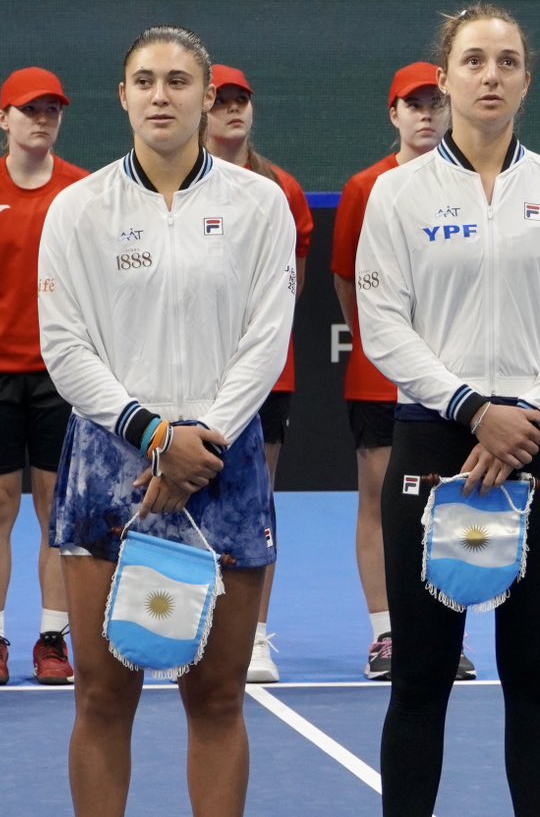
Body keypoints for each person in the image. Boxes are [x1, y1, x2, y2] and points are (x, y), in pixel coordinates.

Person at [356, 4, 540, 816]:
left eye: (506, 62)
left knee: (535, 681)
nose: (490, 75)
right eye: (474, 61)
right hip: (434, 448)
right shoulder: (397, 196)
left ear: (527, 81)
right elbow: (383, 325)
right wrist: (472, 408)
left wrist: (524, 415)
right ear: (444, 79)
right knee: (421, 682)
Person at [39, 26, 295, 817]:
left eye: (178, 81)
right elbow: (64, 343)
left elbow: (266, 335)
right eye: (145, 81)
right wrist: (154, 434)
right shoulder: (77, 208)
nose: (161, 95)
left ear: (207, 98)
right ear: (123, 97)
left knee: (216, 700)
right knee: (102, 700)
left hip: (225, 464)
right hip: (110, 463)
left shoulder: (259, 205)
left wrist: (201, 441)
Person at [0, 66, 88, 686]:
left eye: (52, 109)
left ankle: (53, 639)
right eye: (29, 109)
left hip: (64, 374)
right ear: (1, 118)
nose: (42, 118)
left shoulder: (84, 190)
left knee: (58, 509)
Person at [329, 61, 472, 681]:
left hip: (454, 383)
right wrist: (379, 346)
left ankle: (443, 634)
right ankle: (388, 634)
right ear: (394, 114)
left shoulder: (471, 185)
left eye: (433, 104)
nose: (425, 115)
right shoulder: (367, 187)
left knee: (448, 507)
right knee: (384, 502)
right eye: (412, 106)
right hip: (378, 380)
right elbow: (345, 279)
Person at [200, 63, 312, 683]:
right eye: (223, 102)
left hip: (268, 374)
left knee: (255, 499)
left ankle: (256, 636)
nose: (233, 112)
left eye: (243, 101)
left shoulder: (281, 189)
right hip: (185, 375)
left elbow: (287, 287)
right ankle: (182, 623)